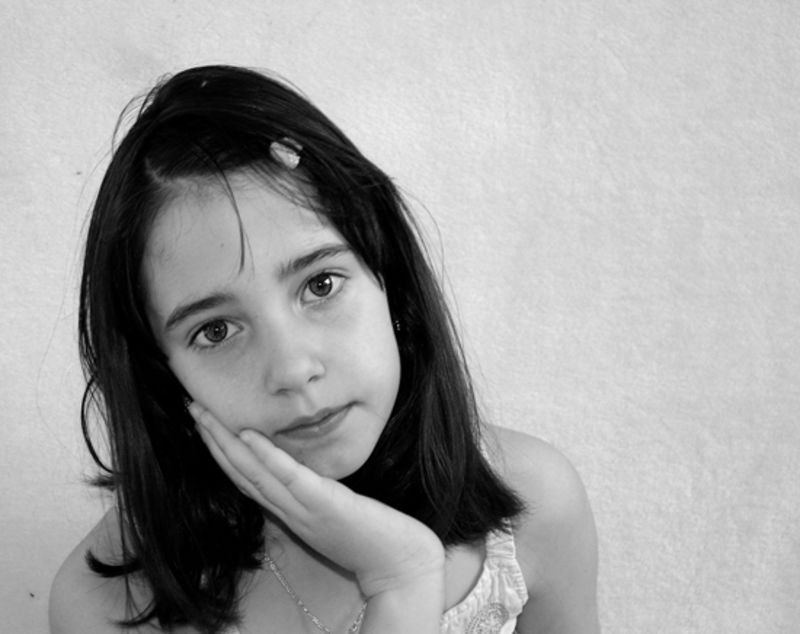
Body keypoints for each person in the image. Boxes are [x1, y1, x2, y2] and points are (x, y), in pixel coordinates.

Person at [49, 65, 599, 634]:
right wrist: (402, 580)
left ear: (390, 281)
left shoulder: (534, 502)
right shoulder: (107, 605)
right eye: (216, 331)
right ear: (160, 372)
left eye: (320, 285)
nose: (293, 369)